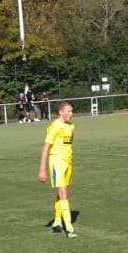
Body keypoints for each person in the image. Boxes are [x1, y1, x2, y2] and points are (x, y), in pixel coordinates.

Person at [37, 100, 77, 237]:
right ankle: (69, 228)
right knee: (63, 193)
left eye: (72, 111)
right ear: (61, 112)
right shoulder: (54, 127)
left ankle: (57, 222)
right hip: (57, 162)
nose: (71, 113)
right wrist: (42, 169)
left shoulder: (71, 126)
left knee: (62, 192)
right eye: (68, 111)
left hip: (68, 162)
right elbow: (46, 148)